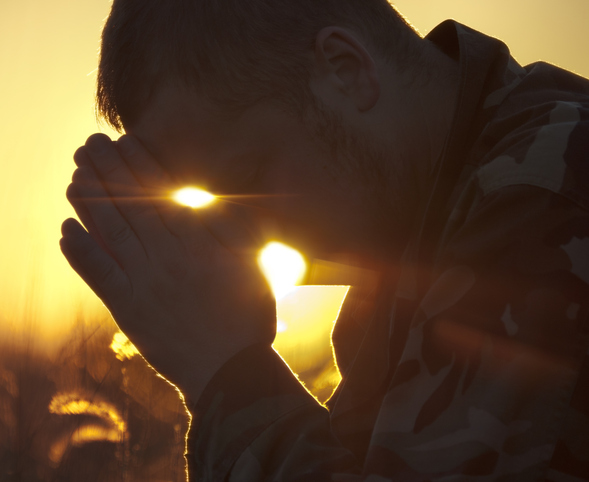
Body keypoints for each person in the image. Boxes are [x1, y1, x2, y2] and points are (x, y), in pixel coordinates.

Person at [59, 0, 589, 480]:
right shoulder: (415, 236)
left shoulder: (545, 194)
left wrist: (226, 373)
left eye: (249, 176)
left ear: (347, 69)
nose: (247, 238)